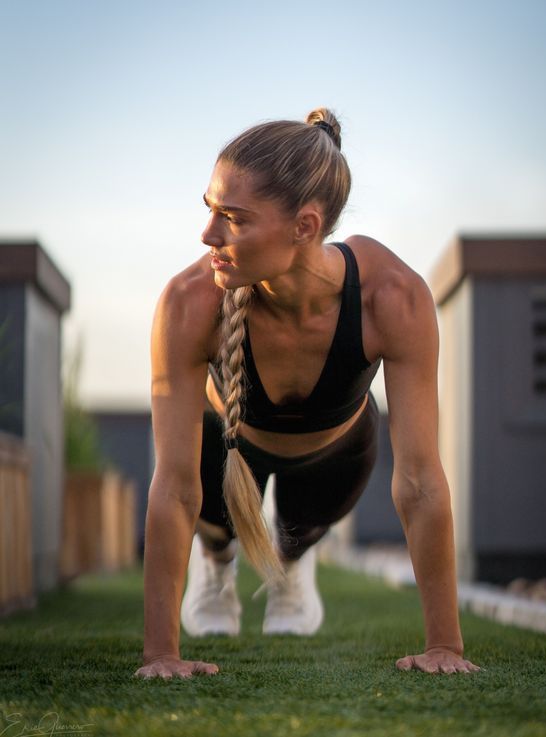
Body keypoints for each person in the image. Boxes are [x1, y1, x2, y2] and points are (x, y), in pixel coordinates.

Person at [134, 108, 480, 680]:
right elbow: (172, 487)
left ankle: (289, 564)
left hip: (333, 456)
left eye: (234, 219)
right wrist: (160, 656)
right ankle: (217, 564)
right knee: (210, 513)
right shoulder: (188, 302)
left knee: (300, 526)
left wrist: (444, 644)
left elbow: (419, 480)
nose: (207, 234)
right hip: (226, 450)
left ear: (305, 226)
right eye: (209, 210)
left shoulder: (393, 296)